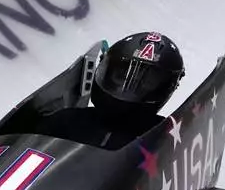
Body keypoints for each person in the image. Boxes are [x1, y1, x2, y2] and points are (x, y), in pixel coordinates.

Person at [33, 32, 186, 149]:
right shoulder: (67, 120)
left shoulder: (165, 138)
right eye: (120, 76)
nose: (127, 90)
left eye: (146, 82)